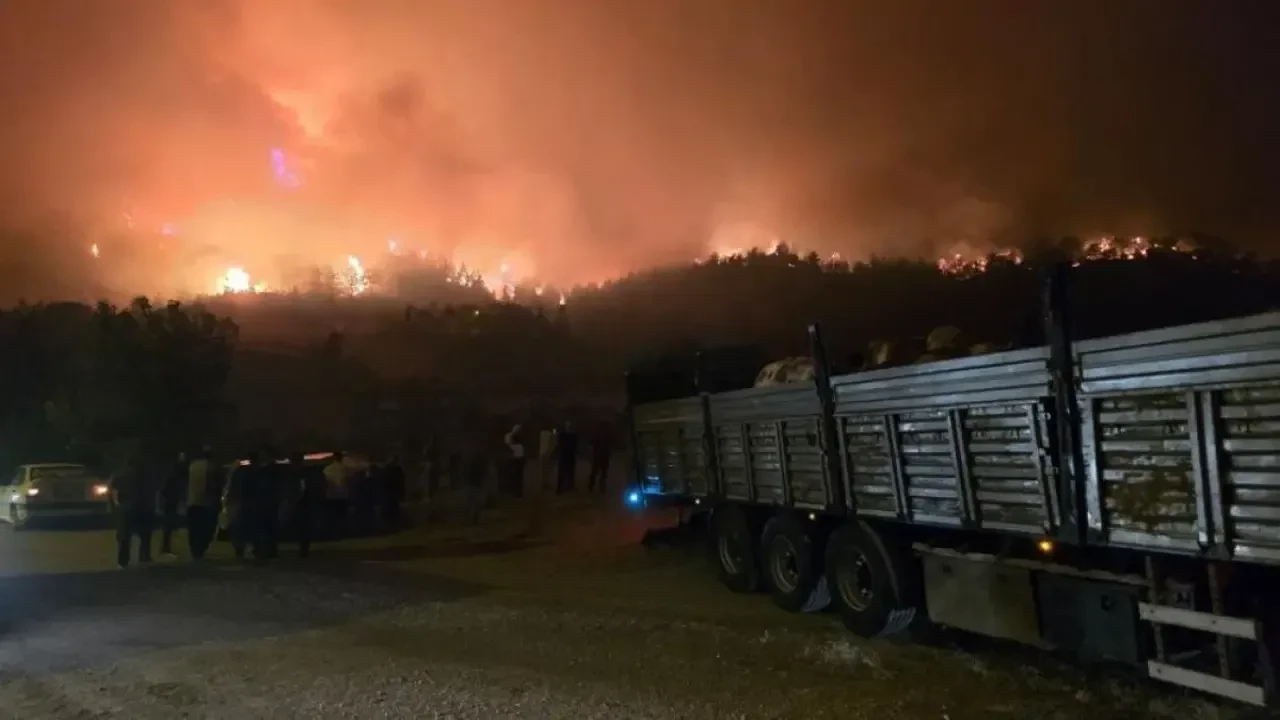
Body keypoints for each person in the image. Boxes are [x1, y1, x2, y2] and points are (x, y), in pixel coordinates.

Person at [108, 453, 155, 569]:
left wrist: (116, 505)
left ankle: (123, 561)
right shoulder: (143, 475)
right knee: (144, 535)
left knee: (125, 536)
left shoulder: (119, 474)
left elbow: (113, 491)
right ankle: (144, 557)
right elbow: (149, 491)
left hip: (125, 508)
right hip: (141, 507)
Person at [185, 445, 217, 561]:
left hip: (191, 501)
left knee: (194, 528)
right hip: (204, 502)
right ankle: (200, 549)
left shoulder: (192, 466)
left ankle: (194, 549)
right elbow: (211, 485)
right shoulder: (210, 467)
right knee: (205, 528)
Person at [159, 451, 188, 557]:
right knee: (170, 525)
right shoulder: (176, 474)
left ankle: (167, 546)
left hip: (171, 501)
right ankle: (166, 547)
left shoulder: (174, 473)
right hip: (171, 501)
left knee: (170, 525)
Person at [254, 449, 280, 560]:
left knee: (263, 528)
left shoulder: (261, 471)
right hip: (269, 503)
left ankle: (263, 550)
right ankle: (269, 550)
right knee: (269, 528)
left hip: (263, 503)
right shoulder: (273, 470)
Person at [294, 452, 321, 557]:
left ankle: (303, 547)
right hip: (303, 501)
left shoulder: (298, 473)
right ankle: (304, 547)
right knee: (304, 526)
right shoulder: (306, 472)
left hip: (302, 502)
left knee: (303, 526)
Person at [322, 451, 349, 538]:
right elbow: (347, 481)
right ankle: (342, 533)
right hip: (342, 496)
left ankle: (333, 533)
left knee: (333, 516)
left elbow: (325, 483)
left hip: (331, 496)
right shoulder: (345, 469)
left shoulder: (327, 469)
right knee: (342, 516)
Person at [586, 422, 612, 494]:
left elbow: (592, 443)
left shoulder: (599, 435)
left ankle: (593, 486)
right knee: (602, 472)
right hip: (602, 455)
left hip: (600, 455)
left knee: (597, 471)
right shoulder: (606, 435)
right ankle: (600, 487)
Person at [382, 453, 406, 529]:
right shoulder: (389, 470)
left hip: (392, 495)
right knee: (390, 512)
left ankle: (393, 526)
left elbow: (401, 483)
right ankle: (390, 526)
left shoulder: (397, 470)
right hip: (389, 495)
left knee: (393, 511)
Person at [503, 424, 526, 498]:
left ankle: (517, 492)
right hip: (514, 459)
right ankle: (514, 492)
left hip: (517, 459)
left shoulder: (518, 442)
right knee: (514, 476)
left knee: (518, 476)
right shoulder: (509, 437)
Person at [556, 421, 578, 495]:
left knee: (570, 471)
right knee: (562, 472)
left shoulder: (572, 435)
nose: (569, 427)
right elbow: (560, 444)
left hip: (570, 455)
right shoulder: (562, 435)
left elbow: (575, 446)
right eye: (568, 426)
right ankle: (559, 488)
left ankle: (569, 486)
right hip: (564, 455)